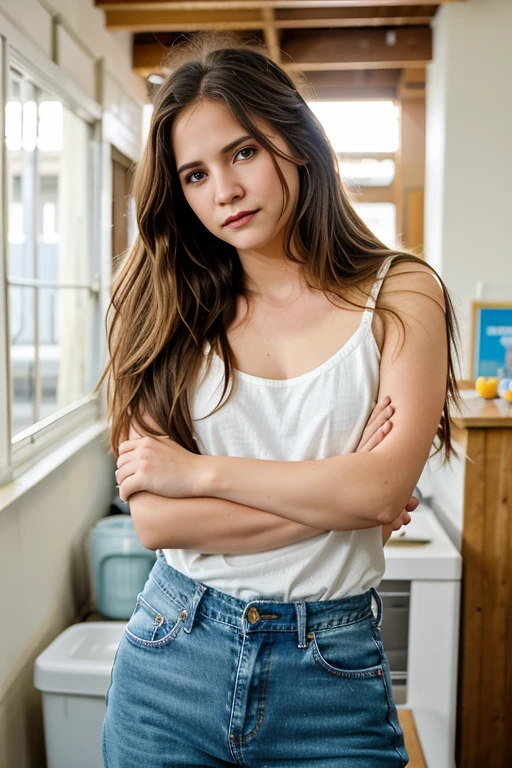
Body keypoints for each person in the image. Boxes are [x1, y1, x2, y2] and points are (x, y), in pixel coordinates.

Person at [96, 32, 461, 768]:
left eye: (241, 153)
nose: (223, 191)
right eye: (194, 175)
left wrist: (202, 474)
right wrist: (338, 495)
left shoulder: (402, 293)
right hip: (170, 658)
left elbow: (383, 489)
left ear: (295, 142)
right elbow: (158, 522)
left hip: (331, 672)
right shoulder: (159, 303)